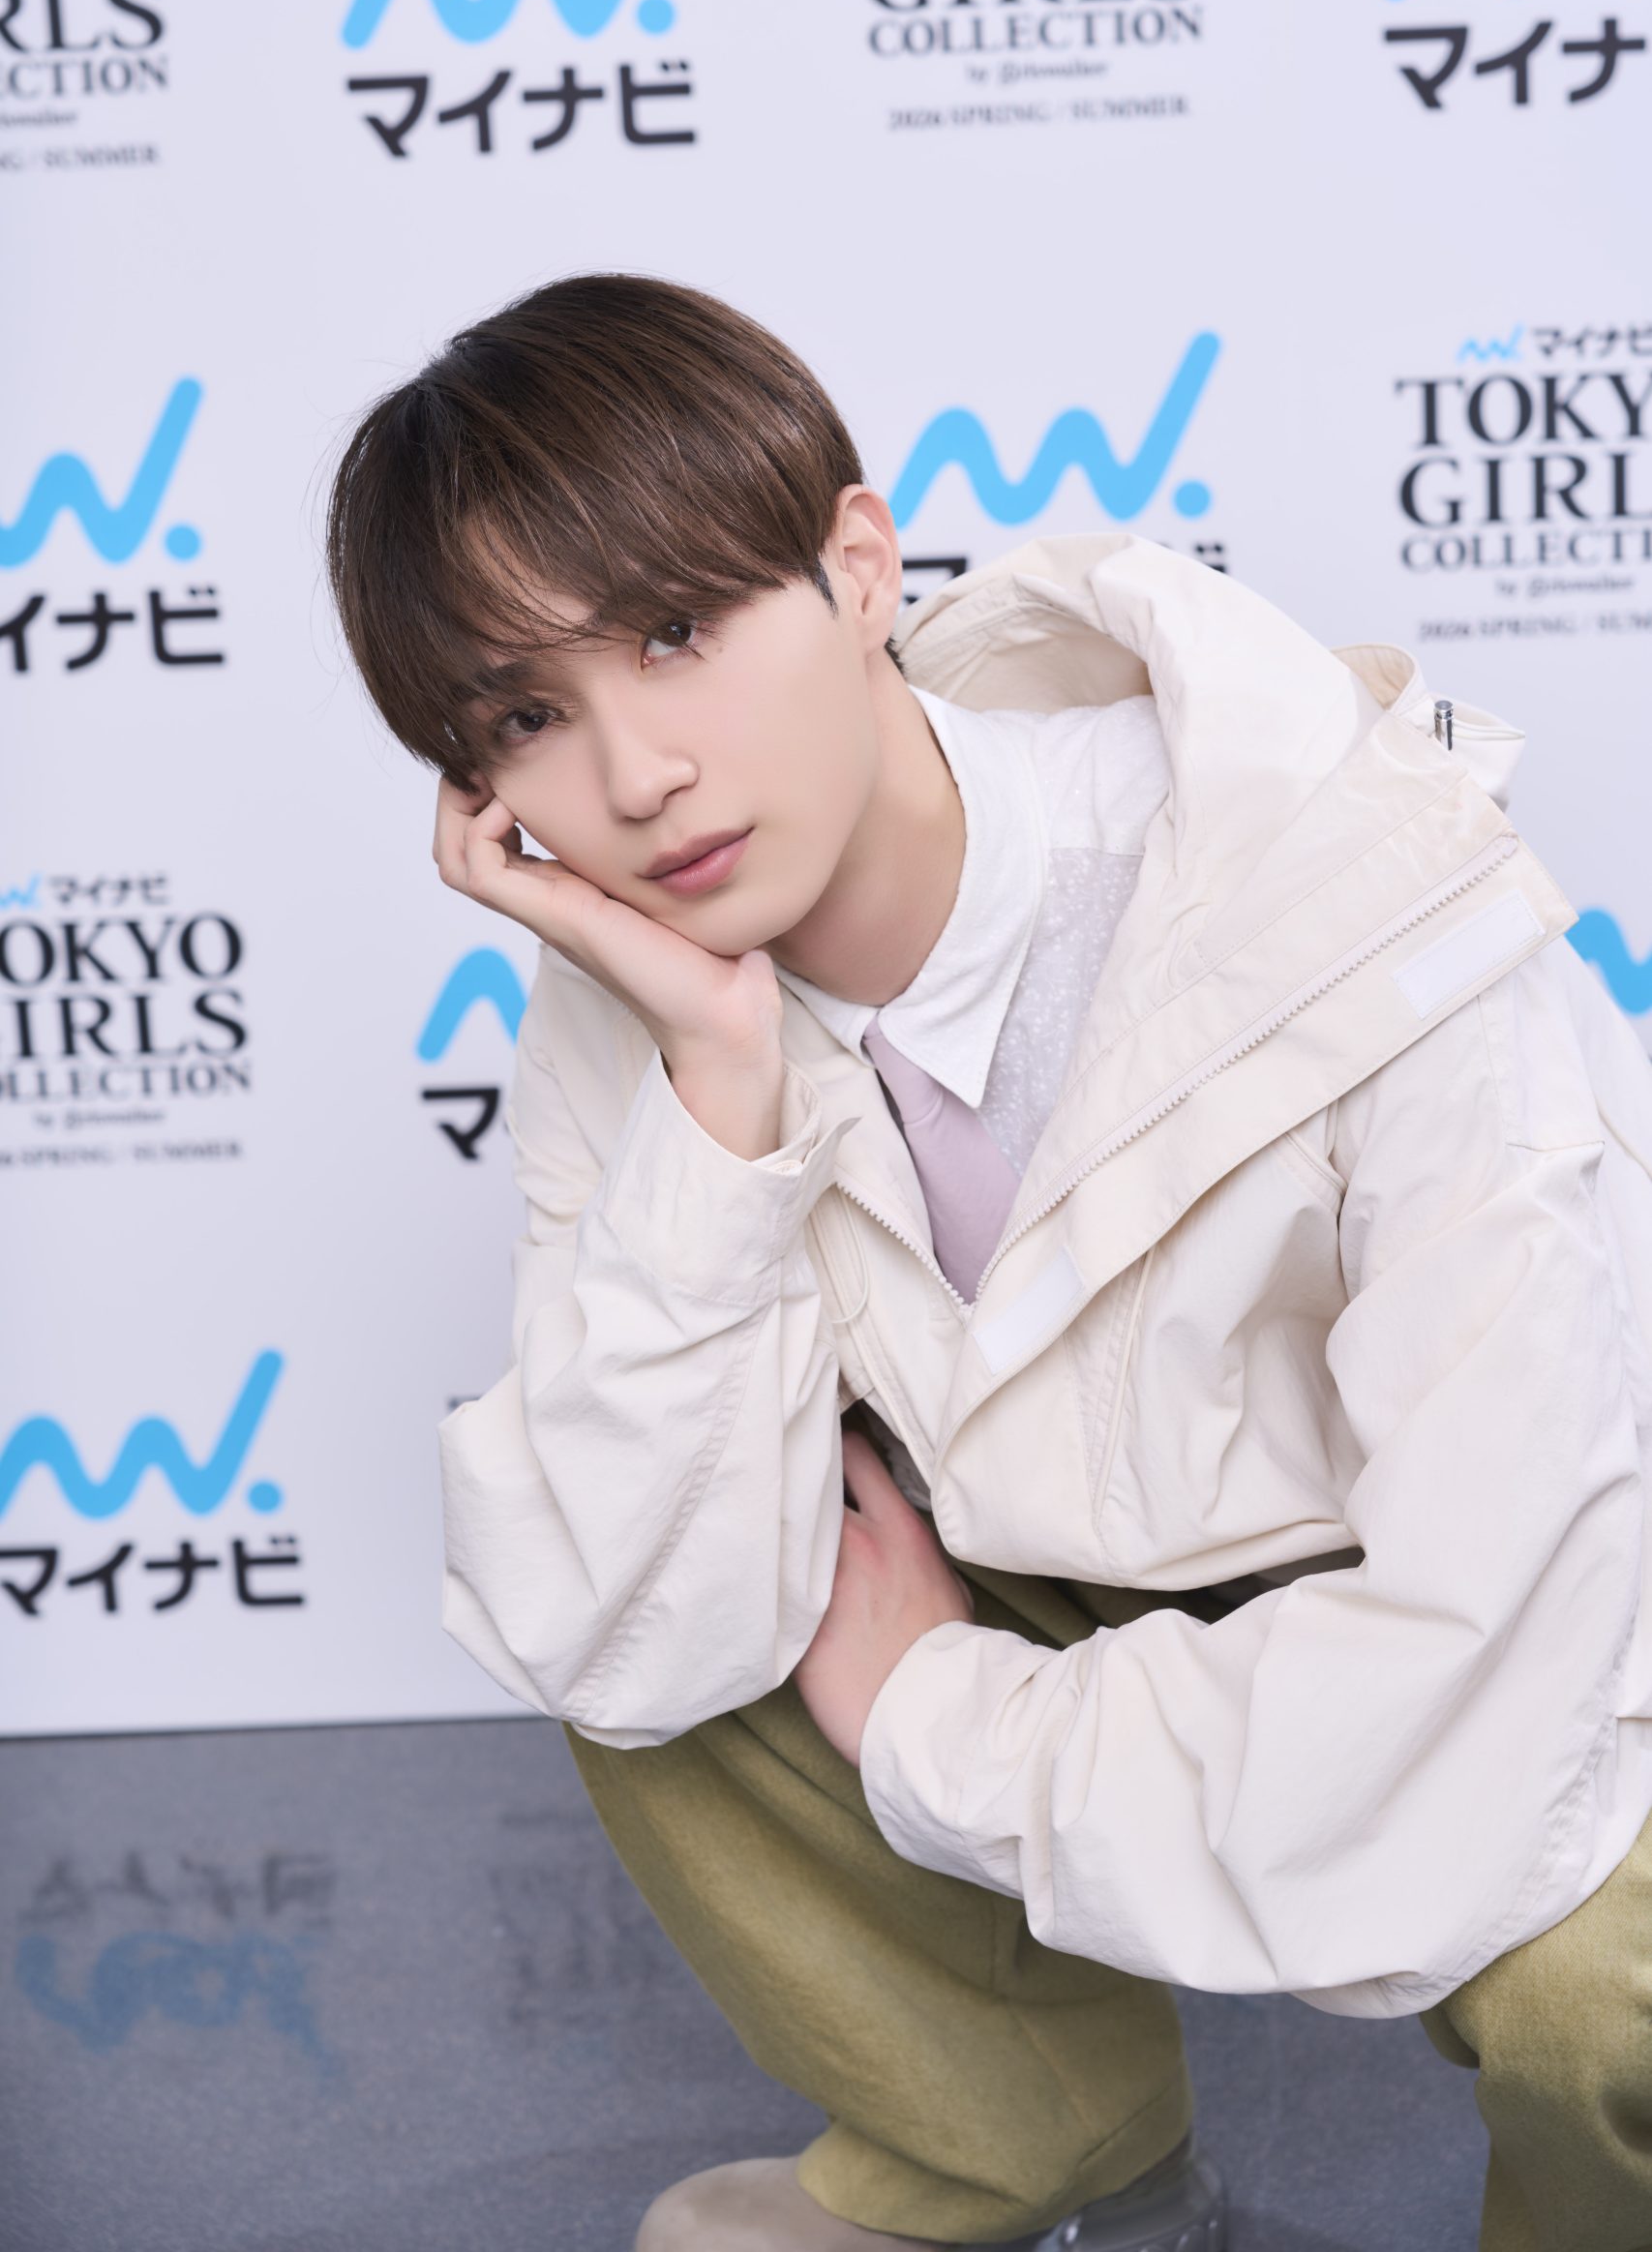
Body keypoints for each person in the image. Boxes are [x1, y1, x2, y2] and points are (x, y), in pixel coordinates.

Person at [326, 272, 1652, 2252]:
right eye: (525, 717)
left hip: (1522, 1582)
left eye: (676, 632)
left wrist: (945, 1720)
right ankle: (1037, 2152)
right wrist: (720, 1100)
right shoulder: (641, 1004)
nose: (635, 777)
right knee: (653, 1542)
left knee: (1605, 1995)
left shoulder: (1339, 885)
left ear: (858, 566)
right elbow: (612, 1629)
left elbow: (1489, 1654)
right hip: (1089, 1543)